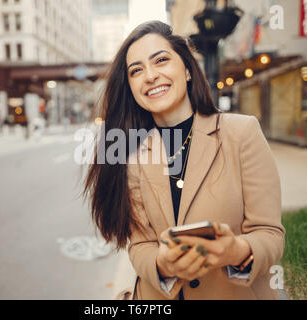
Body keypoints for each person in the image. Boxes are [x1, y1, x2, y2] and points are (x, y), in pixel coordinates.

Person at [83, 21, 284, 300]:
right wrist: (162, 264)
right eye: (136, 71)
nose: (150, 76)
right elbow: (140, 245)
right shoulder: (131, 151)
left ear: (187, 70)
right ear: (130, 86)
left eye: (161, 60)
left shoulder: (242, 133)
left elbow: (270, 233)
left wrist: (236, 250)